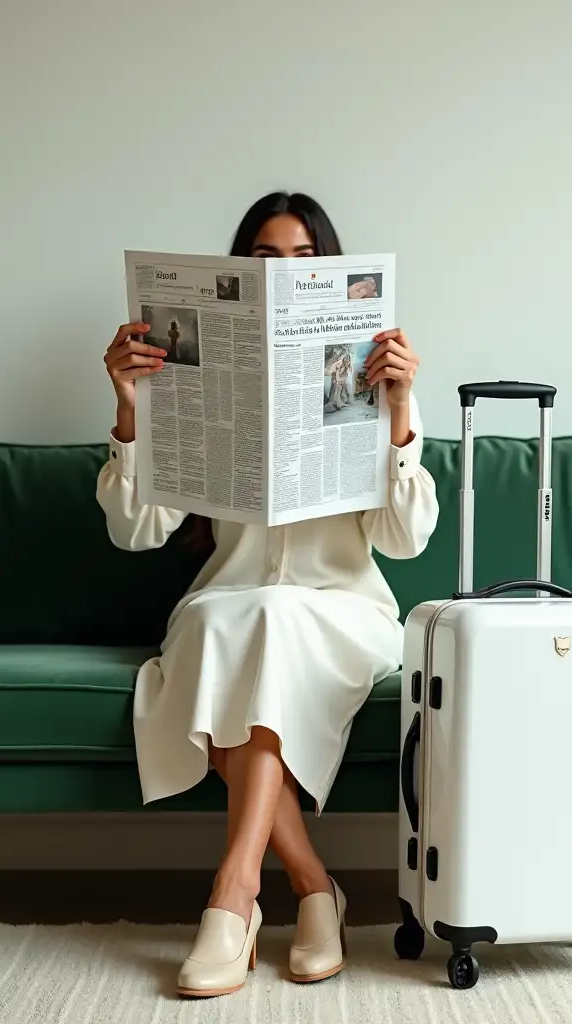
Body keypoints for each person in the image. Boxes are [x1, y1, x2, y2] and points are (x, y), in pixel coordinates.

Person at [97, 191, 439, 999]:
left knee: (268, 625)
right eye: (263, 259)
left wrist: (397, 413)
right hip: (229, 603)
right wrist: (130, 407)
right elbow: (137, 531)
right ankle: (314, 888)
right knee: (235, 624)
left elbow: (405, 539)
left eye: (301, 258)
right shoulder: (197, 373)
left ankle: (234, 891)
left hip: (343, 612)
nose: (283, 271)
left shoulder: (375, 375)